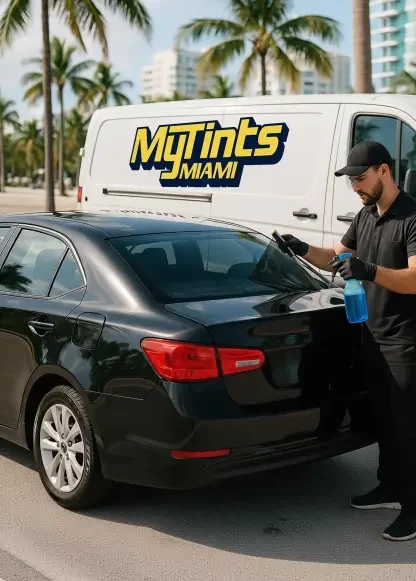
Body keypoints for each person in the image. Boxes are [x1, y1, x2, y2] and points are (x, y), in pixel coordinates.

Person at [277, 140, 416, 541]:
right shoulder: (366, 215)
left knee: (407, 426)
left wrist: (368, 270)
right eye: (352, 181)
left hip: (405, 340)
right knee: (382, 420)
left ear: (384, 171)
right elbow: (336, 256)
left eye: (360, 178)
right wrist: (301, 248)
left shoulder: (412, 216)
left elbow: (413, 278)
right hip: (371, 334)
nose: (355, 187)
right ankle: (390, 488)